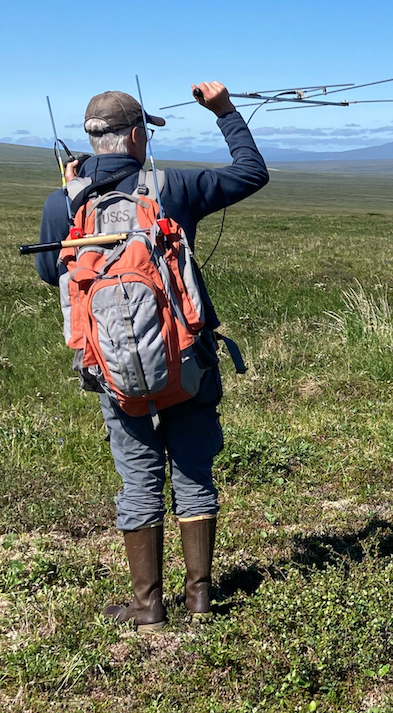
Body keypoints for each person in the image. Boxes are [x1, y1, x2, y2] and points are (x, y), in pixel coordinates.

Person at [34, 83, 268, 630]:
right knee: (193, 472)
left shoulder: (63, 202)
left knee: (138, 480)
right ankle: (200, 598)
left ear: (94, 140)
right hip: (186, 359)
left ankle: (146, 606)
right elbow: (251, 173)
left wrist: (69, 198)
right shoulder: (172, 186)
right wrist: (225, 112)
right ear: (137, 134)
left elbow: (53, 274)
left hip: (113, 370)